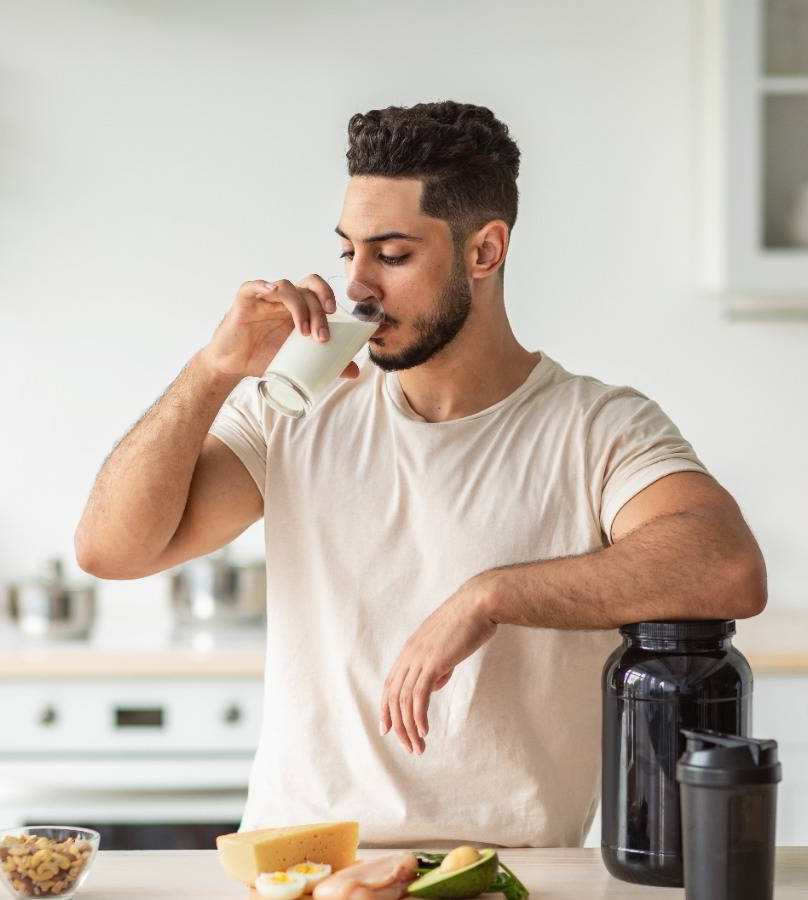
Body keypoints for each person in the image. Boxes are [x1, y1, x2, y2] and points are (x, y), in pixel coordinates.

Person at [74, 100, 767, 848]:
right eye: (348, 252)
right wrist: (212, 371)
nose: (358, 286)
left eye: (392, 255)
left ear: (485, 251)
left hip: (503, 878)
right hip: (302, 870)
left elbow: (727, 567)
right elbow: (111, 551)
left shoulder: (596, 426)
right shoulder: (298, 408)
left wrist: (489, 596)